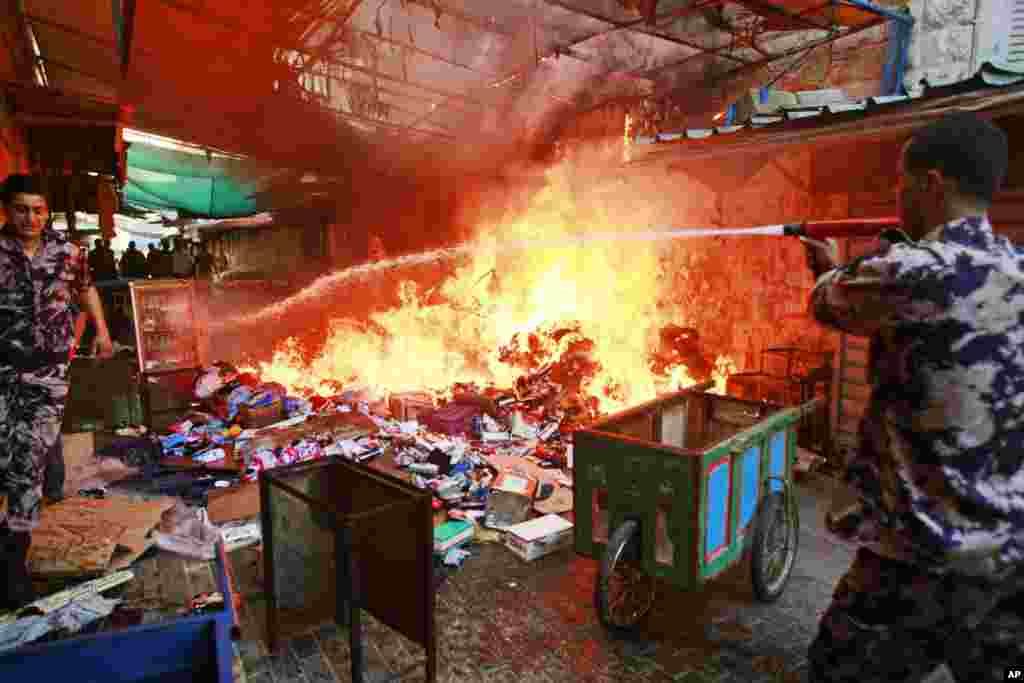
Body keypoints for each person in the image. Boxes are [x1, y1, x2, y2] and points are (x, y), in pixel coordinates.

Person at [803, 113, 1024, 682]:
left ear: (931, 183)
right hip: (1007, 557)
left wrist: (829, 265)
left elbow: (828, 303)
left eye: (902, 182)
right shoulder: (1016, 271)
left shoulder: (914, 273)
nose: (897, 194)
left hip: (914, 557)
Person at [0, 174, 114, 609]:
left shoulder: (68, 252)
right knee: (8, 460)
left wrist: (101, 333)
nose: (30, 218)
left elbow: (86, 292)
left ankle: (13, 563)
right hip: (3, 371)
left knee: (28, 459)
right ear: (7, 210)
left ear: (46, 212)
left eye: (38, 209)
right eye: (21, 209)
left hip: (47, 375)